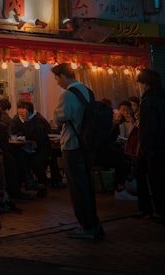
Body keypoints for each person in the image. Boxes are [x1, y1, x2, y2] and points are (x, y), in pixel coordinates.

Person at [51, 62, 103, 239]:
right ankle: (93, 223)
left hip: (72, 144)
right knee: (86, 185)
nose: (57, 82)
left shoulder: (67, 95)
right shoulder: (88, 91)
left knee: (77, 188)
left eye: (57, 78)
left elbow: (59, 117)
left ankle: (87, 226)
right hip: (87, 144)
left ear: (64, 76)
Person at [135, 68, 165, 228]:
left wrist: (145, 148)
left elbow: (148, 129)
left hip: (154, 149)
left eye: (140, 83)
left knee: (158, 183)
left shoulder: (148, 102)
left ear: (145, 84)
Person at [8, 99, 52, 198]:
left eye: (24, 108)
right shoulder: (16, 119)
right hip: (24, 148)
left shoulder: (38, 120)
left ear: (30, 110)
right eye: (19, 108)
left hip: (39, 149)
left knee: (37, 162)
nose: (21, 111)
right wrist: (25, 135)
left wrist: (26, 130)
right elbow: (12, 132)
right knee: (18, 158)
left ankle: (42, 185)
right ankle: (27, 181)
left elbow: (37, 135)